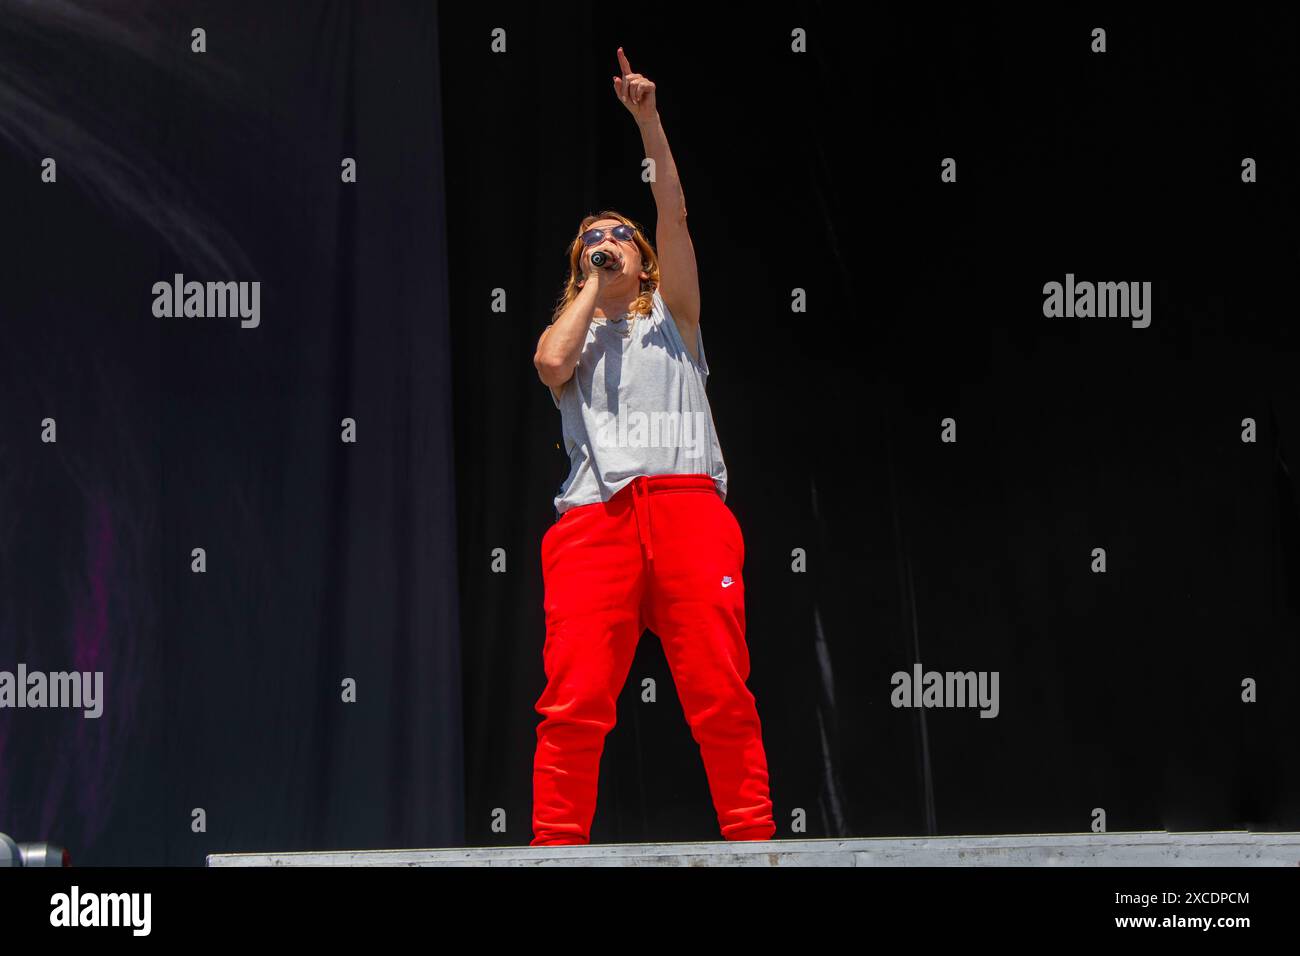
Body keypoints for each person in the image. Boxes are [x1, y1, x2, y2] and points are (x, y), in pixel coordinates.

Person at [528, 47, 776, 846]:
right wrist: (589, 293)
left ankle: (753, 842)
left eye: (618, 236)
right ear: (582, 270)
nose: (606, 241)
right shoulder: (577, 326)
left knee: (720, 692)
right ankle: (553, 854)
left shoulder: (672, 316)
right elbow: (549, 364)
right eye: (590, 241)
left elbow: (672, 211)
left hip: (685, 510)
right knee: (571, 702)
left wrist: (649, 123)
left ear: (643, 260)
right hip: (594, 523)